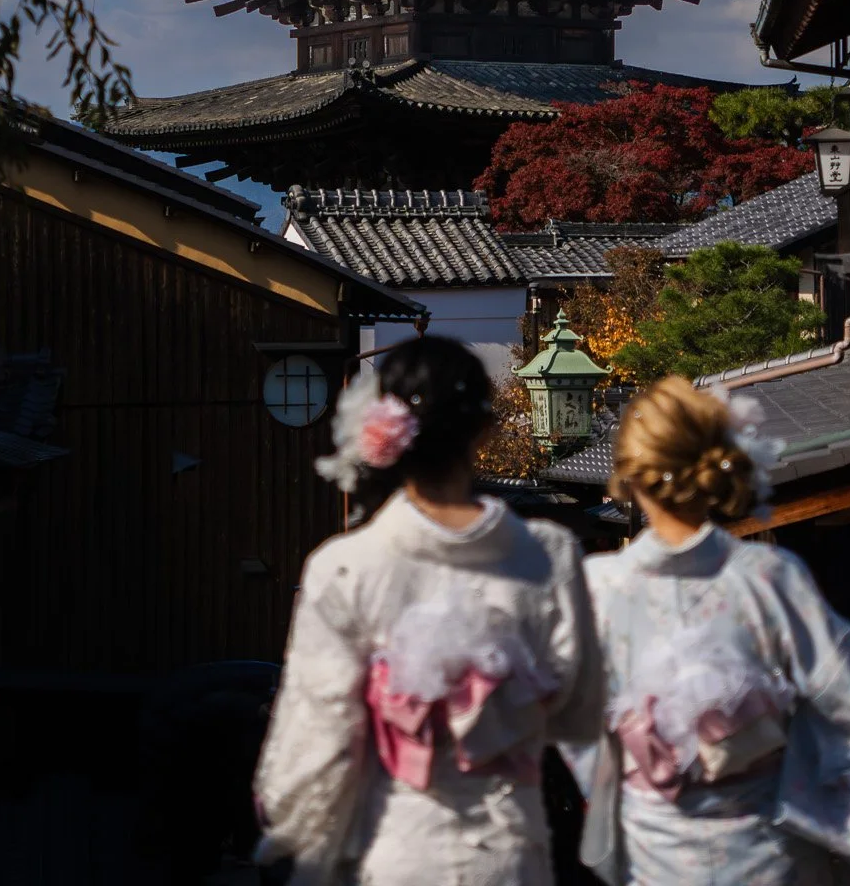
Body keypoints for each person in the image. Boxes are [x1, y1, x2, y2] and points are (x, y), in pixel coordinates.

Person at [252, 335, 605, 886]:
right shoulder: (548, 557)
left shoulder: (345, 568)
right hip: (510, 852)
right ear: (484, 432)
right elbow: (581, 714)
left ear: (384, 435)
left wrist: (295, 829)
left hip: (394, 849)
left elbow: (317, 740)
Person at [575, 378, 850, 886]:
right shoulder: (768, 576)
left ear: (630, 475)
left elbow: (580, 737)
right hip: (771, 851)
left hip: (653, 854)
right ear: (715, 465)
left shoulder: (596, 590)